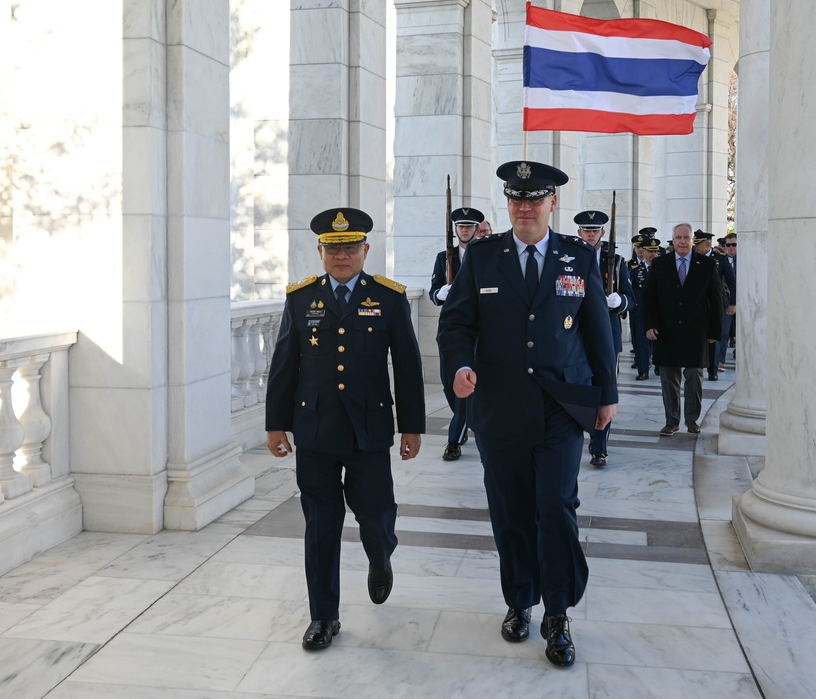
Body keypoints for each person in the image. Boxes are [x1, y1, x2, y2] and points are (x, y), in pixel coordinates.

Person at [438, 160, 618, 668]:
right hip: (500, 407)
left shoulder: (578, 257)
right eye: (516, 200)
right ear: (508, 205)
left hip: (562, 406)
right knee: (510, 510)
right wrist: (459, 365)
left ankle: (558, 613)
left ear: (552, 204)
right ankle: (520, 600)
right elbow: (455, 326)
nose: (524, 207)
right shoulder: (482, 258)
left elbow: (597, 330)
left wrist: (607, 394)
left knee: (556, 508)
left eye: (534, 199)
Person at [265, 207, 425, 652]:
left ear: (365, 251)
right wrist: (276, 423)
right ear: (320, 251)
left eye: (351, 247)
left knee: (375, 516)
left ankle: (380, 556)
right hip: (314, 430)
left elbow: (407, 367)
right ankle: (323, 616)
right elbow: (283, 365)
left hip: (368, 431)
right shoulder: (300, 299)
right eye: (333, 248)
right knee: (321, 525)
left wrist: (411, 426)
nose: (342, 256)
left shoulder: (389, 298)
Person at [643, 223, 723, 436]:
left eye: (686, 237)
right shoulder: (660, 264)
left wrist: (715, 331)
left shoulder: (706, 265)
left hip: (696, 331)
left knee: (694, 375)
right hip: (666, 330)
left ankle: (691, 419)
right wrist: (649, 324)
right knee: (668, 377)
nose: (682, 241)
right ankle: (671, 421)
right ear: (673, 239)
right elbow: (649, 297)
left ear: (692, 240)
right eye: (678, 237)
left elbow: (716, 300)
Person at [574, 210, 634, 467]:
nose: (590, 234)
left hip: (608, 335)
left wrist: (620, 301)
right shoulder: (570, 258)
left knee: (605, 389)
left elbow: (632, 299)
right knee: (579, 388)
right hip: (575, 333)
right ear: (579, 233)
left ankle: (599, 446)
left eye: (595, 230)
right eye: (586, 230)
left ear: (601, 233)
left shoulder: (617, 262)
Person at [430, 206, 485, 461]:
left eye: (469, 226)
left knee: (464, 385)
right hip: (449, 330)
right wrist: (442, 293)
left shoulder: (485, 254)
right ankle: (462, 419)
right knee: (447, 383)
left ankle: (454, 439)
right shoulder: (444, 257)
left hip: (477, 331)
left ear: (476, 229)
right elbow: (433, 292)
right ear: (456, 230)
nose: (464, 230)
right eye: (461, 226)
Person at [693, 229, 724, 381]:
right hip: (698, 306)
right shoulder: (693, 258)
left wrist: (732, 303)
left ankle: (713, 370)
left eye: (698, 244)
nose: (696, 247)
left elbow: (730, 279)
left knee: (713, 339)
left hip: (714, 305)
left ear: (708, 244)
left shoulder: (719, 259)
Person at [628, 230, 659, 381]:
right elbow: (631, 290)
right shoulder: (636, 271)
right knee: (641, 341)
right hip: (641, 310)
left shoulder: (663, 269)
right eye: (649, 251)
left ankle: (659, 366)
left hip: (659, 311)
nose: (652, 255)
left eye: (655, 252)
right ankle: (643, 370)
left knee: (659, 340)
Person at [715, 233, 737, 370]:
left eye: (734, 245)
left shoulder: (746, 259)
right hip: (727, 301)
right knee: (724, 332)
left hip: (744, 301)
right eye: (728, 245)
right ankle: (719, 361)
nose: (731, 248)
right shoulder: (720, 260)